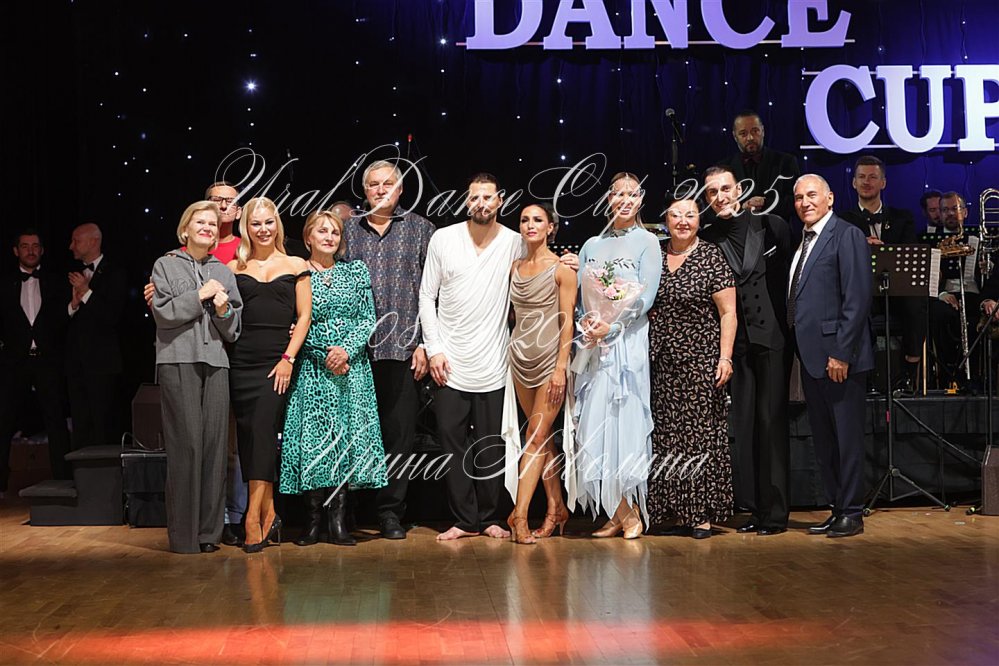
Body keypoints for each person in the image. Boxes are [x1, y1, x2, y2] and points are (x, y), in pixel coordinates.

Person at [419, 173, 524, 542]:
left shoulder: (514, 242)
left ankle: (491, 516)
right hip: (449, 363)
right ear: (467, 201)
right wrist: (434, 349)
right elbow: (426, 297)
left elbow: (538, 271)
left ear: (499, 201)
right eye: (475, 197)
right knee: (452, 443)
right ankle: (464, 520)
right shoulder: (444, 238)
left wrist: (568, 264)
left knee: (492, 444)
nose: (481, 203)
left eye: (488, 197)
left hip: (495, 363)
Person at [143, 181, 248, 545]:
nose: (206, 227)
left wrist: (222, 309)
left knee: (215, 448)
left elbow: (233, 328)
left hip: (216, 363)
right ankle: (185, 535)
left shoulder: (224, 272)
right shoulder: (165, 264)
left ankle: (209, 533)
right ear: (185, 229)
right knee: (186, 446)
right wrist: (199, 295)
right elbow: (164, 313)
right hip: (179, 361)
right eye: (199, 222)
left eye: (211, 224)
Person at [338, 161, 435, 540]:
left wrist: (425, 343)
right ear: (365, 191)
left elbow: (433, 292)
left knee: (398, 436)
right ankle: (348, 509)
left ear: (401, 189)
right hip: (355, 352)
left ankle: (390, 512)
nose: (381, 190)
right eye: (374, 184)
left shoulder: (421, 230)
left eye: (388, 183)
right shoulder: (348, 231)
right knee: (355, 433)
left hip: (404, 349)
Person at [281, 210, 387, 546]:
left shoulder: (355, 271)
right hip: (313, 370)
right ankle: (313, 521)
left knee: (345, 440)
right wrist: (323, 353)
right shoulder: (297, 273)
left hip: (351, 369)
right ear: (308, 237)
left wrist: (346, 352)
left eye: (335, 232)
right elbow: (296, 323)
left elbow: (367, 318)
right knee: (315, 440)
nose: (329, 237)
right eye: (322, 231)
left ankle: (339, 520)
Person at [699, 165, 792, 536]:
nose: (720, 196)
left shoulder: (770, 225)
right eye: (712, 192)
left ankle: (776, 514)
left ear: (738, 190)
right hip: (735, 346)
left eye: (726, 189)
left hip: (770, 339)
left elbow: (790, 278)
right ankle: (755, 508)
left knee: (771, 425)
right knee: (746, 427)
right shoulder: (707, 238)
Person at [574, 172, 663, 539]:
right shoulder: (591, 244)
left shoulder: (648, 242)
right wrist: (588, 323)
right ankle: (615, 510)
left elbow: (646, 297)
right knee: (594, 425)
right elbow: (582, 297)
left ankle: (631, 512)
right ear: (608, 199)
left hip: (627, 345)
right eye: (618, 194)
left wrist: (612, 326)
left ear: (641, 199)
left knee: (623, 423)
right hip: (595, 345)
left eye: (632, 194)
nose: (625, 200)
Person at [646, 198, 736, 539]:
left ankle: (700, 515)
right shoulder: (654, 254)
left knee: (698, 436)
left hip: (700, 360)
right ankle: (670, 511)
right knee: (665, 436)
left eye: (690, 215)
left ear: (699, 220)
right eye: (675, 215)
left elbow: (728, 313)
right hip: (660, 362)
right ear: (666, 220)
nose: (682, 221)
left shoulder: (711, 256)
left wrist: (725, 357)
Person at [789, 175, 873, 538]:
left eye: (812, 195)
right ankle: (838, 507)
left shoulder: (846, 234)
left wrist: (841, 353)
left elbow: (857, 299)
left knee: (846, 439)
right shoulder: (805, 240)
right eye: (798, 197)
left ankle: (852, 511)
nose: (805, 202)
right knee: (825, 441)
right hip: (812, 358)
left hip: (838, 359)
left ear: (830, 198)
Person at [227, 197, 312, 553]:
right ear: (246, 227)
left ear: (277, 224)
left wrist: (288, 358)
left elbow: (304, 317)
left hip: (276, 363)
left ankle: (252, 518)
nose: (263, 229)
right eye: (255, 223)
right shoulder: (233, 267)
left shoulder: (296, 264)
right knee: (249, 436)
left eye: (268, 222)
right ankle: (270, 511)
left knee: (262, 431)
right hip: (240, 361)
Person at [503, 202, 576, 544]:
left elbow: (568, 323)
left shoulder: (562, 270)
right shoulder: (514, 267)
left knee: (534, 436)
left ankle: (518, 516)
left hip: (550, 363)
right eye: (524, 220)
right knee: (542, 439)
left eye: (537, 220)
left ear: (550, 227)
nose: (530, 225)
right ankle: (556, 507)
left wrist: (561, 368)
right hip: (520, 359)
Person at [839, 156, 925, 395]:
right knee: (856, 307)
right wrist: (860, 246)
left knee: (916, 302)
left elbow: (911, 253)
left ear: (883, 183)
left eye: (872, 177)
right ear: (854, 183)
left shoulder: (902, 218)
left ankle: (909, 375)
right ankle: (864, 377)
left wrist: (884, 250)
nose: (866, 182)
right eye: (861, 177)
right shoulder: (842, 220)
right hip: (861, 291)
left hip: (896, 291)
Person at [0, 229, 72, 495]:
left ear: (42, 250)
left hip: (47, 362)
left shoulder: (57, 282)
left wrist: (73, 305)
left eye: (35, 246)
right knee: (3, 420)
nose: (30, 251)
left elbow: (62, 321)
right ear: (15, 251)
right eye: (25, 246)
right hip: (13, 363)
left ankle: (64, 480)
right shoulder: (4, 284)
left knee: (56, 421)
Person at [66, 223, 127, 451]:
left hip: (103, 364)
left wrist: (86, 292)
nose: (71, 246)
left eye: (76, 241)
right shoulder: (71, 273)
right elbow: (58, 320)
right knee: (80, 425)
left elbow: (112, 316)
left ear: (93, 241)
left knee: (103, 425)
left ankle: (104, 472)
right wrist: (72, 305)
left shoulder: (115, 273)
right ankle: (80, 471)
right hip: (75, 364)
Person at [928, 192, 981, 388]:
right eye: (945, 210)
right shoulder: (929, 239)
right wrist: (941, 293)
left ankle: (978, 375)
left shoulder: (978, 238)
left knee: (980, 320)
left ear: (965, 212)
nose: (950, 213)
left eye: (955, 209)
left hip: (974, 294)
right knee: (940, 315)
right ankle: (948, 374)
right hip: (944, 295)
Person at [722, 110, 801, 229]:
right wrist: (741, 208)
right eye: (743, 133)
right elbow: (715, 208)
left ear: (763, 131)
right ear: (735, 136)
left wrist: (766, 203)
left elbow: (796, 201)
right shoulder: (724, 168)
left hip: (778, 235)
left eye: (755, 131)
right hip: (736, 235)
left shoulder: (786, 162)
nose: (750, 138)